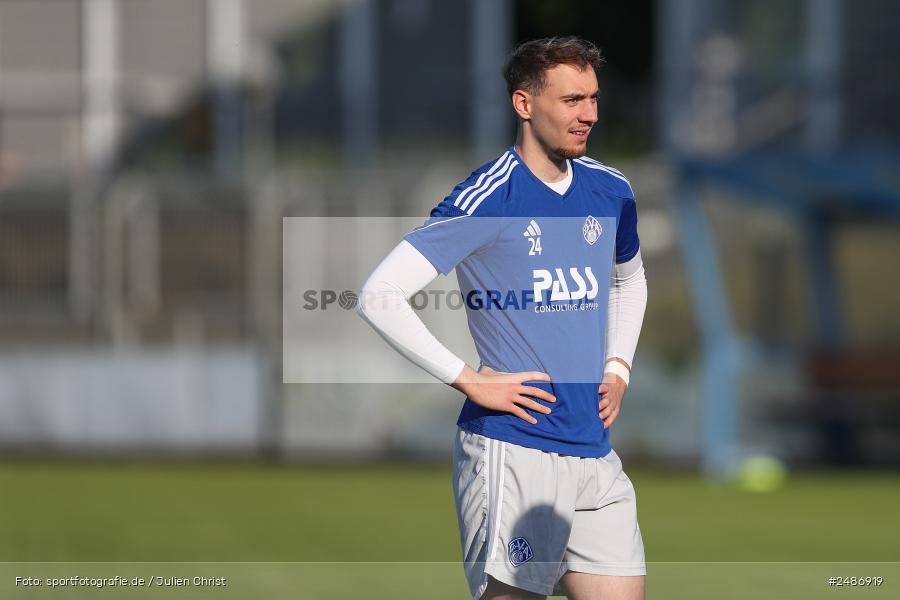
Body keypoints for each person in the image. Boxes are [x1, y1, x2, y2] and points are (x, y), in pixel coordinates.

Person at [358, 36, 648, 600]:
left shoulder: (611, 189)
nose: (588, 113)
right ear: (524, 104)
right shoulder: (488, 197)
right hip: (514, 451)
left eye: (592, 98)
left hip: (594, 451)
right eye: (570, 100)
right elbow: (380, 294)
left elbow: (629, 279)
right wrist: (468, 378)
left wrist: (619, 366)